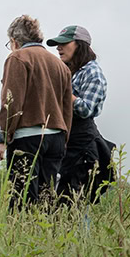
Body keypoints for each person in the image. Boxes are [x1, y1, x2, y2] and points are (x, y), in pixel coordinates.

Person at [0, 14, 73, 209]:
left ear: (14, 41)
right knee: (47, 200)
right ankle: (45, 239)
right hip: (56, 137)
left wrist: (2, 139)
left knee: (22, 201)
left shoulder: (17, 58)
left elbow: (11, 102)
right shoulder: (60, 65)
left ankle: (23, 237)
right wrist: (64, 138)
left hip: (27, 138)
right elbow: (66, 108)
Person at [50, 25, 112, 202]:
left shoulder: (93, 72)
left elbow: (86, 109)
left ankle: (81, 231)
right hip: (66, 143)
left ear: (80, 45)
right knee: (60, 200)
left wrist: (63, 90)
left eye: (64, 43)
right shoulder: (69, 71)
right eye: (57, 44)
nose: (58, 48)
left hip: (83, 146)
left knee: (75, 200)